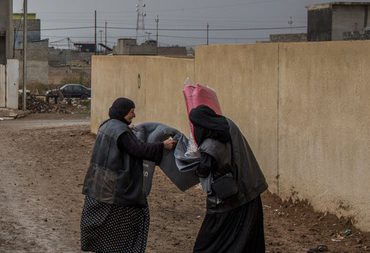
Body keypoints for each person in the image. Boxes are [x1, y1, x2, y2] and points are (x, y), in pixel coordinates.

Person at [80, 97, 177, 253]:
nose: (134, 116)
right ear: (123, 112)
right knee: (123, 228)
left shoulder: (107, 125)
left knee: (102, 227)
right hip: (117, 190)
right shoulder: (121, 132)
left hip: (99, 186)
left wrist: (126, 131)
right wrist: (162, 145)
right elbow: (140, 150)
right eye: (131, 112)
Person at [188, 105, 268, 253]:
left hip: (228, 200)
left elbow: (203, 170)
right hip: (249, 190)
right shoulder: (228, 126)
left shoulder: (211, 145)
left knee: (207, 244)